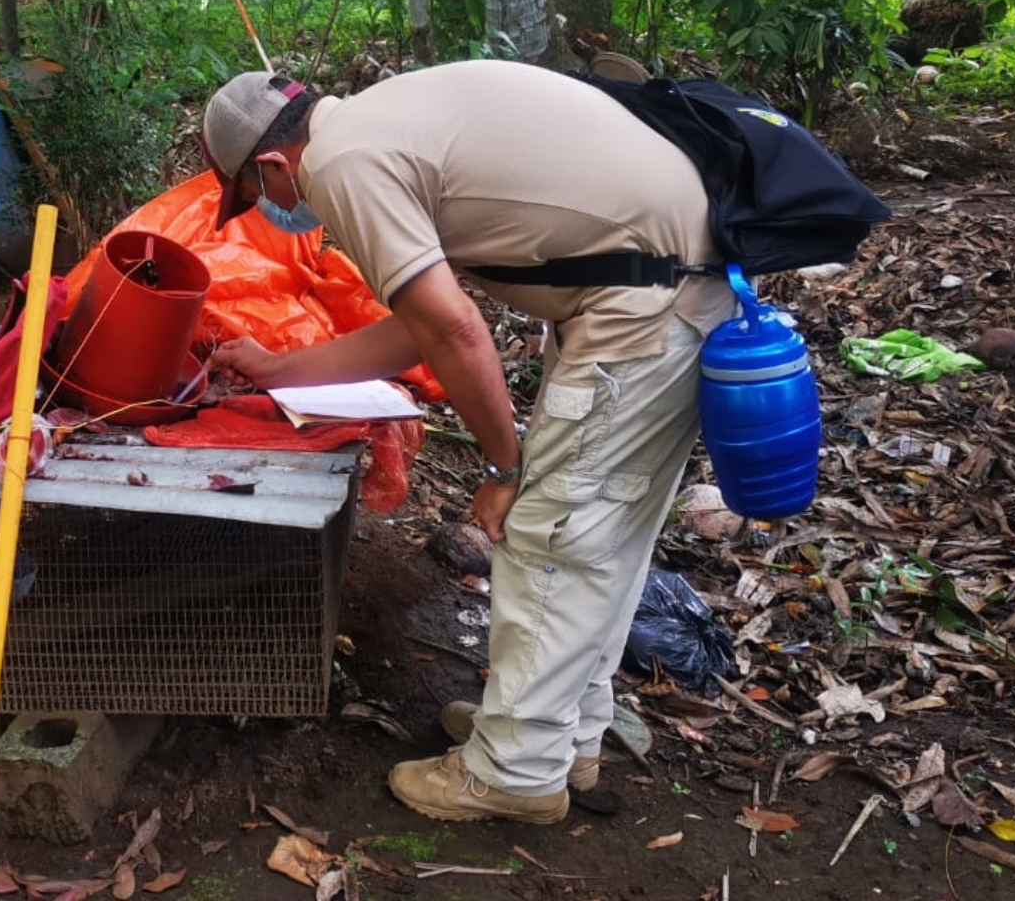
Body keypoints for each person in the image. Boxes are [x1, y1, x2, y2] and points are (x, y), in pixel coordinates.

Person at [200, 60, 737, 824]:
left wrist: (503, 465)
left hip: (640, 310)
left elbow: (454, 329)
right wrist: (277, 368)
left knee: (549, 537)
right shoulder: (387, 122)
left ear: (272, 163)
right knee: (598, 541)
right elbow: (417, 326)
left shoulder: (343, 164)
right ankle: (562, 736)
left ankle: (515, 771)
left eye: (256, 196)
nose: (272, 211)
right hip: (659, 290)